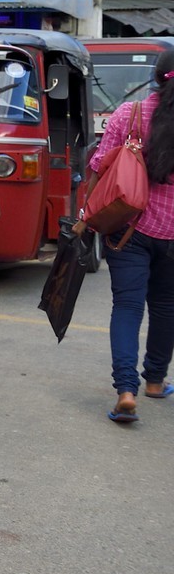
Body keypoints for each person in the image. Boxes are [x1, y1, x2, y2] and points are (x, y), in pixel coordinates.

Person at [86, 47, 174, 424]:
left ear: (156, 77)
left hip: (128, 229)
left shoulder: (129, 114)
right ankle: (155, 381)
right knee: (166, 307)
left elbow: (99, 165)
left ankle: (126, 391)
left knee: (127, 307)